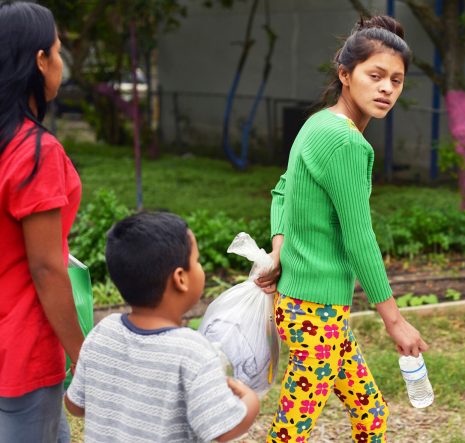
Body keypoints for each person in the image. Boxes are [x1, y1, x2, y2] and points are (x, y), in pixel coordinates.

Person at [256, 15, 429, 443]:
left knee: (370, 413)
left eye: (397, 80)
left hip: (310, 308)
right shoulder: (347, 143)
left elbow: (281, 192)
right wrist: (395, 322)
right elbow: (359, 239)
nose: (387, 88)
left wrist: (279, 250)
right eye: (375, 76)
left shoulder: (317, 124)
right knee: (291, 432)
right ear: (345, 75)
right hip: (314, 313)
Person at [64, 212, 260, 442]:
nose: (200, 268)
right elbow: (223, 429)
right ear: (180, 279)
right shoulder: (193, 351)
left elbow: (75, 405)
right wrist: (250, 402)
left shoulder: (103, 333)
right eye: (196, 261)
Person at [0, 2, 85, 441]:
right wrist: (81, 356)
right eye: (56, 51)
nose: (59, 62)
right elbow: (46, 267)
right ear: (38, 61)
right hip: (21, 346)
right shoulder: (34, 151)